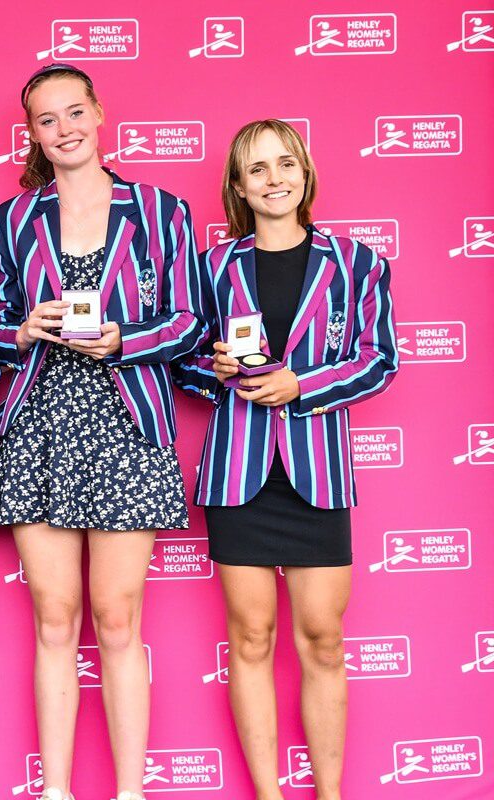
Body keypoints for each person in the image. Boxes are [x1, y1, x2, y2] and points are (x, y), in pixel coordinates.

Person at [0, 64, 203, 800]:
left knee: (116, 616)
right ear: (33, 135)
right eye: (48, 120)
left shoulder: (161, 210)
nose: (65, 129)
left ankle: (130, 790)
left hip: (127, 424)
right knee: (53, 616)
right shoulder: (13, 219)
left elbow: (190, 320)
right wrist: (22, 328)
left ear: (100, 114)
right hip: (41, 422)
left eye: (75, 112)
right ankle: (55, 791)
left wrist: (124, 340)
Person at [174, 119, 398, 800]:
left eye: (285, 163)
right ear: (238, 187)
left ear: (304, 172)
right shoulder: (215, 268)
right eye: (257, 169)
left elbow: (379, 360)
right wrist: (212, 371)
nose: (275, 179)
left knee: (324, 639)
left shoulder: (358, 263)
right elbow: (183, 361)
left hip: (317, 472)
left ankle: (329, 794)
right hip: (238, 473)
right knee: (250, 638)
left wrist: (304, 383)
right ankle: (268, 795)